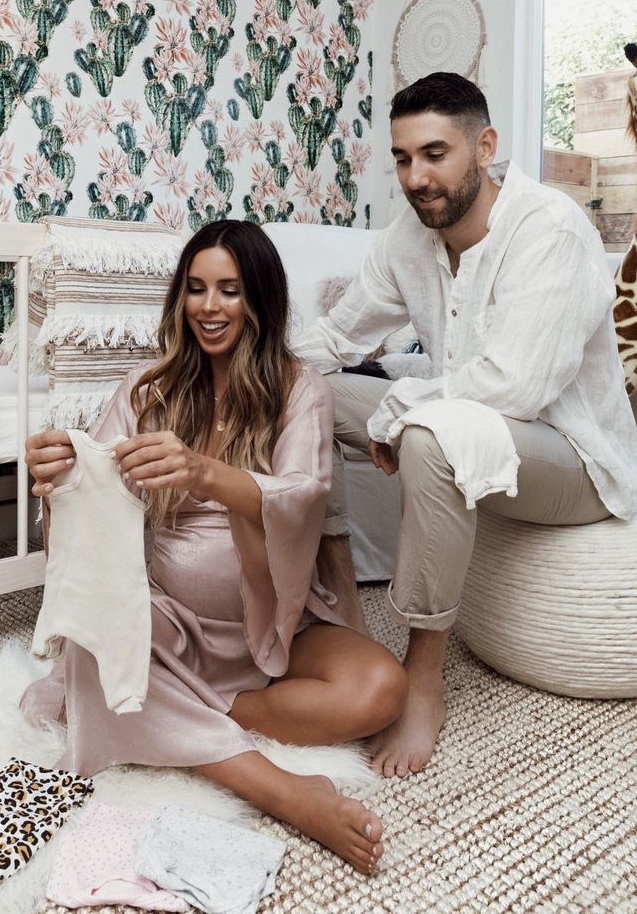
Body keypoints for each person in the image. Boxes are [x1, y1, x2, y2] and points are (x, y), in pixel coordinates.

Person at [22, 220, 407, 875]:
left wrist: (202, 472)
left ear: (260, 299)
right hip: (173, 622)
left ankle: (164, 711)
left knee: (379, 689)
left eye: (228, 290)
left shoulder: (299, 390)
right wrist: (57, 482)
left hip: (278, 623)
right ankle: (277, 786)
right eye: (195, 289)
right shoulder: (149, 390)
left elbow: (302, 495)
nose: (208, 306)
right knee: (91, 641)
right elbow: (85, 530)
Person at [295, 72, 637, 780]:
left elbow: (515, 385)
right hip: (472, 432)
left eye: (434, 153)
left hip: (572, 461)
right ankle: (340, 607)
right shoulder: (407, 238)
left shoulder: (547, 228)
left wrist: (397, 407)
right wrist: (231, 372)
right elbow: (335, 336)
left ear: (483, 146)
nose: (415, 177)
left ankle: (423, 678)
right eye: (401, 158)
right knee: (306, 394)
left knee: (429, 433)